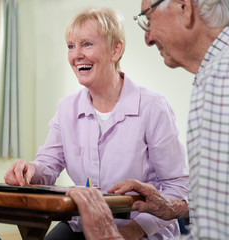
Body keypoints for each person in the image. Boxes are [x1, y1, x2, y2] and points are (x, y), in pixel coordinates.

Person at [4, 7, 189, 240]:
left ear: (115, 50)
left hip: (143, 230)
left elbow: (177, 187)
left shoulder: (153, 107)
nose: (76, 55)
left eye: (87, 44)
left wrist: (133, 230)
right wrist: (31, 170)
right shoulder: (66, 108)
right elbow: (48, 165)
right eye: (71, 46)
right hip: (84, 226)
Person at [68, 0, 229, 239]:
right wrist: (170, 207)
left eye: (148, 18)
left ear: (184, 8)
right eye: (71, 45)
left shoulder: (220, 76)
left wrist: (131, 230)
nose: (148, 38)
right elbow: (217, 201)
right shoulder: (211, 74)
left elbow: (215, 228)